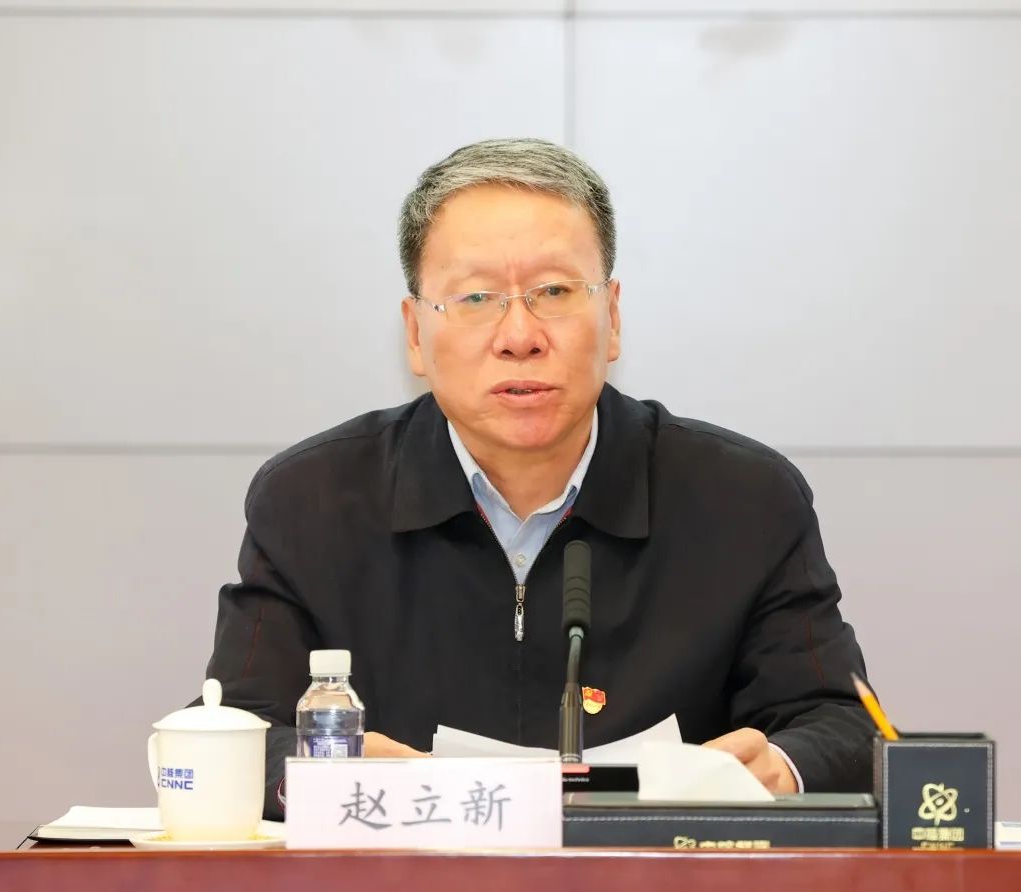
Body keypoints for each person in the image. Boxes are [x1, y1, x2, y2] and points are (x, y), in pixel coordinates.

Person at [202, 138, 875, 819]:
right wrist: (328, 772)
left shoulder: (742, 500)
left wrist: (782, 767)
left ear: (612, 318)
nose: (519, 335)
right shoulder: (313, 501)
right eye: (475, 297)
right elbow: (231, 734)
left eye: (554, 291)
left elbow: (845, 726)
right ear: (414, 334)